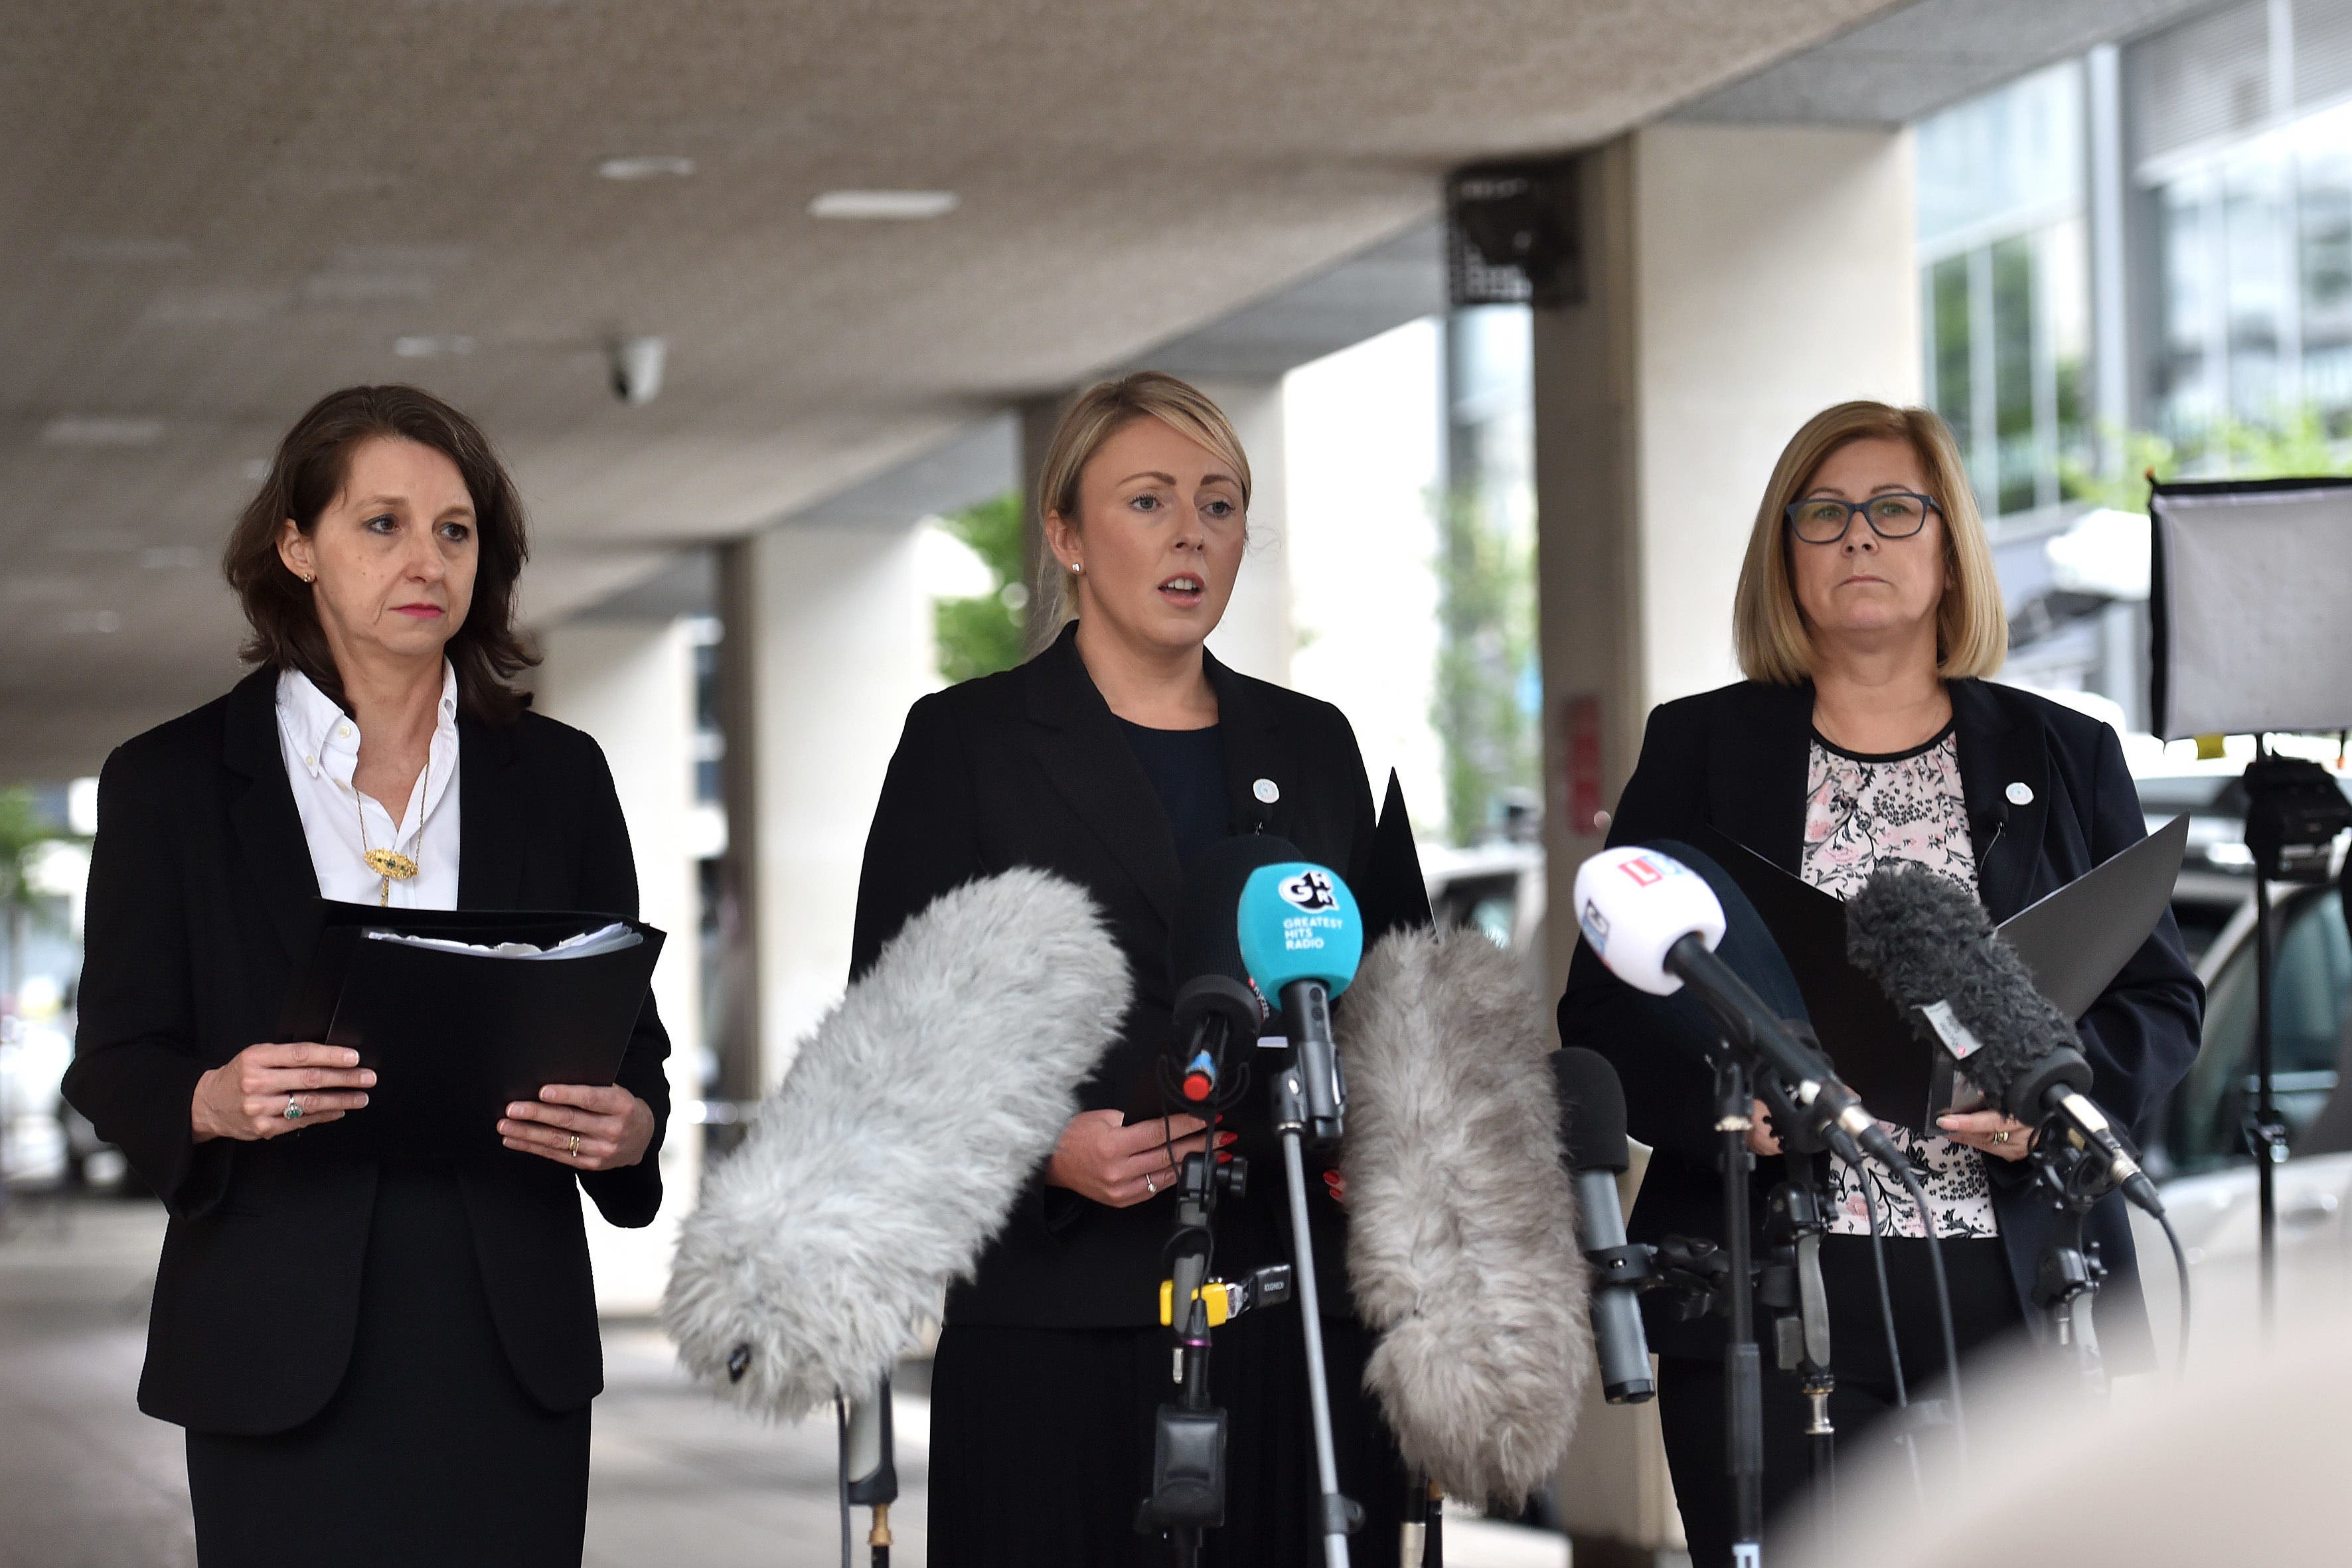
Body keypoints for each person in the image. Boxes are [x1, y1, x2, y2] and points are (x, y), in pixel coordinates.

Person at [1557, 400, 2202, 1566]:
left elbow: (2160, 1001)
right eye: (1826, 514)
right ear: (1787, 556)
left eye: (1896, 510)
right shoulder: (1700, 750)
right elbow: (1604, 1009)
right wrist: (1723, 1110)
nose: (1861, 536)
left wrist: (2054, 1105)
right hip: (1775, 1283)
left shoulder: (2066, 754)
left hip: (2026, 1288)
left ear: (1949, 548)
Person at [62, 384, 670, 1568]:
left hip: (506, 1339)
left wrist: (630, 1126)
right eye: (380, 523)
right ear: (296, 546)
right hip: (274, 1338)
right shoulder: (169, 782)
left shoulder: (559, 776)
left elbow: (626, 1040)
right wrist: (211, 1100)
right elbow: (117, 1056)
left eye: (455, 528)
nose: (426, 559)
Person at [851, 372, 1413, 1565]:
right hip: (1058, 1321)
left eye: (1219, 503)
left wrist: (1385, 1141)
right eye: (1148, 500)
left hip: (1290, 1320)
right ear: (1065, 534)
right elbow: (889, 1044)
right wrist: (1047, 1148)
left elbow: (1390, 1007)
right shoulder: (967, 744)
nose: (1189, 534)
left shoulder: (1314, 747)